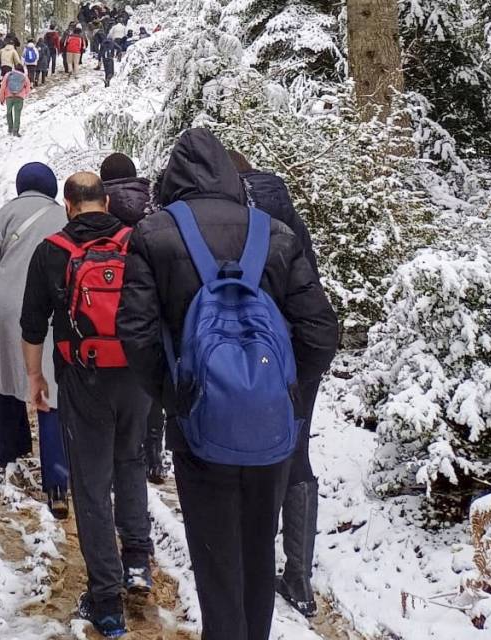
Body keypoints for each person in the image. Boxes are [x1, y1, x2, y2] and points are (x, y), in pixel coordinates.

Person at [116, 128, 339, 640]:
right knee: (259, 551)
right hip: (269, 430)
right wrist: (282, 392)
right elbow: (321, 332)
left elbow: (135, 332)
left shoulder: (153, 235)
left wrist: (178, 396)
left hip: (200, 429)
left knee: (216, 558)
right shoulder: (275, 234)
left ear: (173, 179)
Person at [21, 172, 153, 639]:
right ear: (107, 201)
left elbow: (32, 325)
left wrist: (36, 378)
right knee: (131, 461)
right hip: (136, 375)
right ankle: (138, 562)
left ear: (68, 204)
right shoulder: (135, 241)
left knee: (92, 485)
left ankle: (107, 602)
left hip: (83, 377)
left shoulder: (53, 250)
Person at [227, 149, 324, 617]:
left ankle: (254, 564)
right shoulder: (287, 212)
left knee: (255, 454)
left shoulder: (236, 220)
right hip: (306, 345)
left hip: (259, 355)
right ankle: (300, 578)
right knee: (297, 452)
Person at [0, 163, 70, 518]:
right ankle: (57, 484)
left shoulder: (4, 215)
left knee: (8, 381)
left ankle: (11, 456)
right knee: (48, 390)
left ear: (21, 186)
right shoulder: (64, 219)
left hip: (7, 311)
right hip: (50, 312)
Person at [99, 153, 166, 484]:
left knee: (117, 385)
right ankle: (154, 455)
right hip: (152, 304)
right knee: (152, 382)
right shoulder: (153, 203)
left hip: (112, 305)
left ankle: (115, 458)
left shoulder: (101, 205)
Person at [0, 66, 31, 137]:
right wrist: (24, 94)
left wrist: (2, 98)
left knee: (9, 112)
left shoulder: (8, 75)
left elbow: (3, 87)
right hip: (19, 97)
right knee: (17, 114)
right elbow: (28, 88)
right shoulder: (24, 76)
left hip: (9, 96)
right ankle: (15, 131)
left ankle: (10, 128)